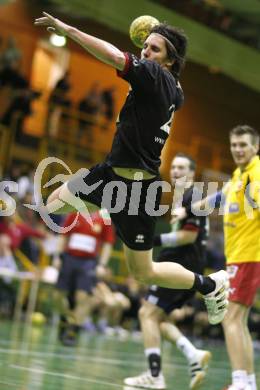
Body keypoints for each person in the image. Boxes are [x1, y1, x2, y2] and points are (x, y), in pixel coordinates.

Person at [34, 12, 229, 326]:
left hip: (136, 189)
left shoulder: (155, 75)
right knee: (52, 204)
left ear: (168, 61)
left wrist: (69, 30)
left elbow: (112, 55)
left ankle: (210, 284)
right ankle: (106, 210)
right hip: (111, 173)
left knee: (143, 272)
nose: (145, 53)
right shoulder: (171, 86)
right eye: (146, 46)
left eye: (154, 49)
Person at [171, 125, 260, 390]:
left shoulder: (256, 176)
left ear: (255, 147)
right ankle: (248, 382)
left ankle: (240, 383)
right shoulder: (239, 174)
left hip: (249, 254)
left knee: (229, 318)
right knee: (238, 320)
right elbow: (220, 198)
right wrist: (188, 211)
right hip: (238, 255)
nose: (238, 149)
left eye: (243, 145)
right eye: (234, 145)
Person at [124, 153, 211, 390]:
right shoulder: (183, 197)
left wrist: (153, 240)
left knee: (146, 314)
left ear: (192, 173)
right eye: (173, 168)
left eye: (182, 168)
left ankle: (154, 376)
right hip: (187, 265)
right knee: (159, 319)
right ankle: (193, 354)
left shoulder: (193, 196)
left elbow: (188, 236)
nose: (175, 171)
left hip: (181, 265)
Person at [53, 209, 115, 346]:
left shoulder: (104, 215)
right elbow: (63, 235)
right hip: (69, 259)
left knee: (83, 297)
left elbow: (108, 243)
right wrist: (57, 256)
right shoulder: (74, 211)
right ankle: (65, 319)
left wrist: (102, 265)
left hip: (88, 262)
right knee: (58, 295)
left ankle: (73, 331)